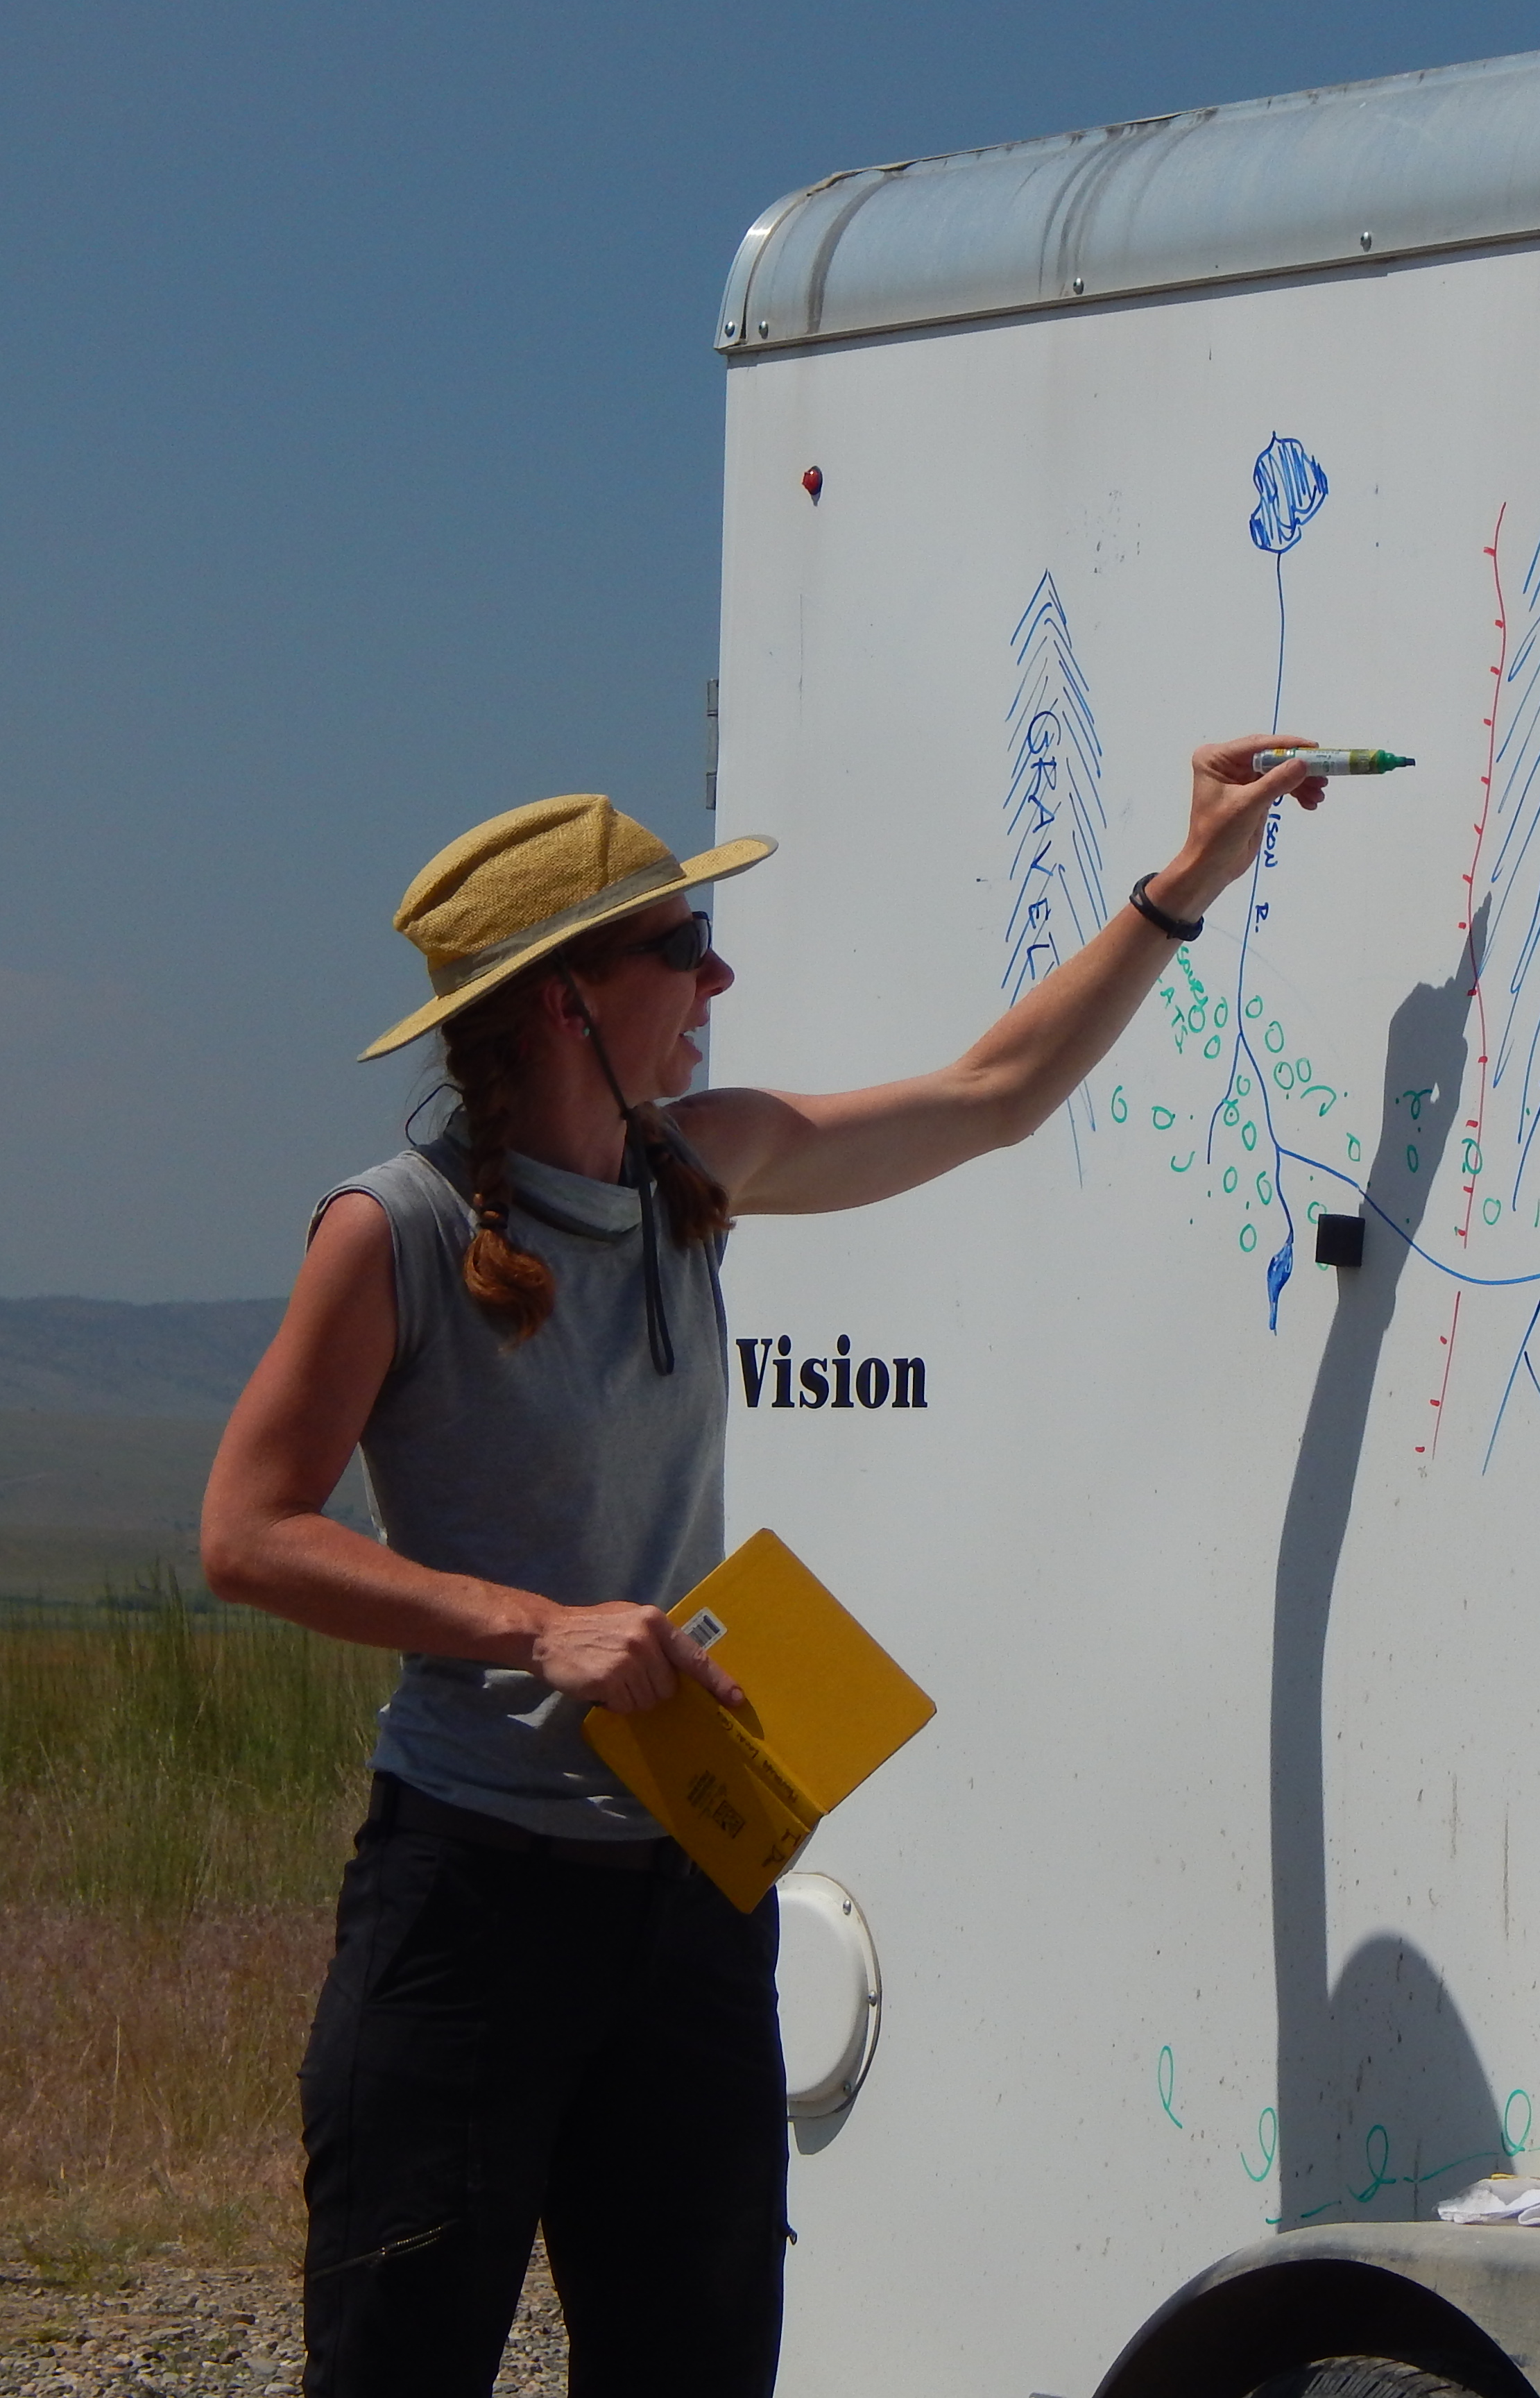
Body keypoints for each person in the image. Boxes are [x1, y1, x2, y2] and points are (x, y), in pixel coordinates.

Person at [201, 735, 1326, 2398]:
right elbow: (247, 1532)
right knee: (398, 2363)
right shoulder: (397, 1229)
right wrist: (535, 1630)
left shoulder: (696, 1166)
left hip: (687, 1897)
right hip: (468, 1906)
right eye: (682, 949)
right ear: (564, 1003)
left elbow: (994, 1097)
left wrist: (1185, 886)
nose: (717, 973)